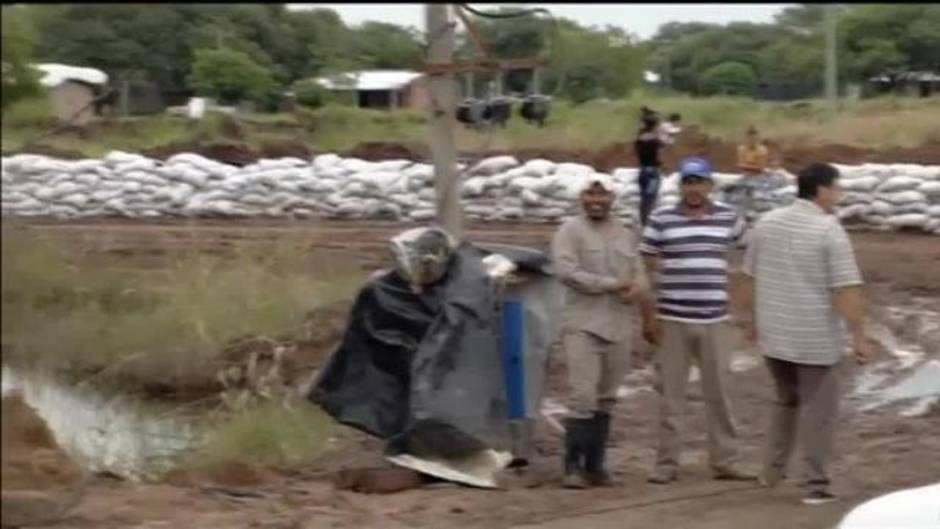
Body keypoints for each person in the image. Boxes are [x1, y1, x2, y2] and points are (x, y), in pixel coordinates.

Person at [741, 162, 872, 506]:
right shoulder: (828, 230)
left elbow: (749, 276)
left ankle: (771, 471)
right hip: (814, 340)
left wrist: (752, 322)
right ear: (822, 190)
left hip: (775, 335)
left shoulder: (766, 223)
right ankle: (816, 483)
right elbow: (846, 289)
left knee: (785, 401)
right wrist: (858, 337)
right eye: (837, 188)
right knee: (819, 410)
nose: (840, 194)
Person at [640, 156, 755, 485]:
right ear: (681, 186)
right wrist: (655, 290)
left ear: (710, 185)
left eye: (699, 182)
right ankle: (666, 463)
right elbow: (647, 257)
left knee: (720, 393)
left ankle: (726, 460)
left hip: (714, 319)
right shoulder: (662, 218)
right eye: (688, 182)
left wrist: (742, 289)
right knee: (671, 395)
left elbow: (751, 245)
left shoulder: (727, 217)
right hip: (672, 319)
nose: (694, 188)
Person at [552, 174, 655, 489]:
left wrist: (637, 290)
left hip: (618, 325)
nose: (596, 201)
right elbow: (567, 272)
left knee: (607, 398)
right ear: (582, 197)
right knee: (583, 396)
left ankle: (596, 467)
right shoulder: (569, 231)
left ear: (613, 198)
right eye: (590, 195)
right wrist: (612, 285)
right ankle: (572, 467)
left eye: (602, 195)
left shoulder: (625, 233)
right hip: (582, 324)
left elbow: (639, 274)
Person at [735, 125, 772, 222]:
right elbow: (740, 165)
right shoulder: (741, 149)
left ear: (757, 139)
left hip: (759, 177)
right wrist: (752, 166)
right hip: (746, 176)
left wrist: (747, 166)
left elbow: (761, 168)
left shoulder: (762, 150)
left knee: (760, 196)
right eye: (750, 138)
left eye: (754, 138)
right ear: (747, 138)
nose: (752, 141)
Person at [635, 112, 665, 226]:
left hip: (642, 170)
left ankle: (643, 222)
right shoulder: (654, 140)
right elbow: (663, 144)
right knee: (651, 199)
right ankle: (648, 224)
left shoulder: (639, 138)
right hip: (653, 172)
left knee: (644, 199)